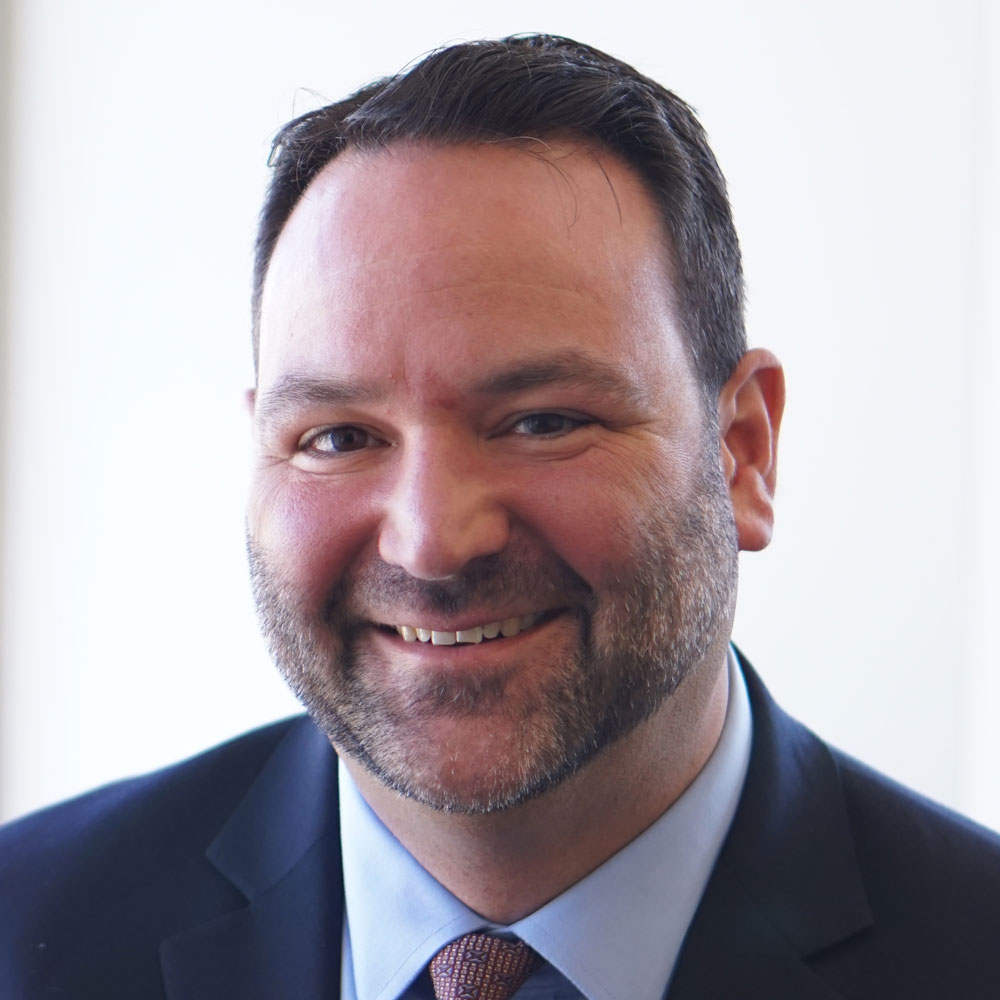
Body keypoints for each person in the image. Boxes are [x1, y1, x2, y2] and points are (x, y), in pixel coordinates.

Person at [1, 33, 998, 1000]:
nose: (430, 539)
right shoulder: (26, 929)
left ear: (742, 449)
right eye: (340, 436)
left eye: (541, 421)